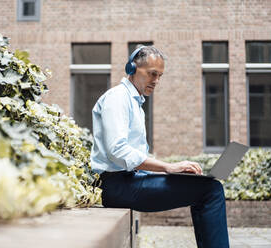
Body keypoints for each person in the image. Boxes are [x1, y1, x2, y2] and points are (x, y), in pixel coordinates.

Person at [90, 45, 230, 248]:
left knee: (202, 187)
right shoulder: (117, 98)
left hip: (130, 181)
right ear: (131, 69)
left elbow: (134, 157)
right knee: (211, 190)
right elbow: (118, 151)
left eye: (160, 76)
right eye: (152, 74)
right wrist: (168, 167)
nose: (156, 81)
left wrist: (177, 173)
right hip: (115, 185)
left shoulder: (134, 102)